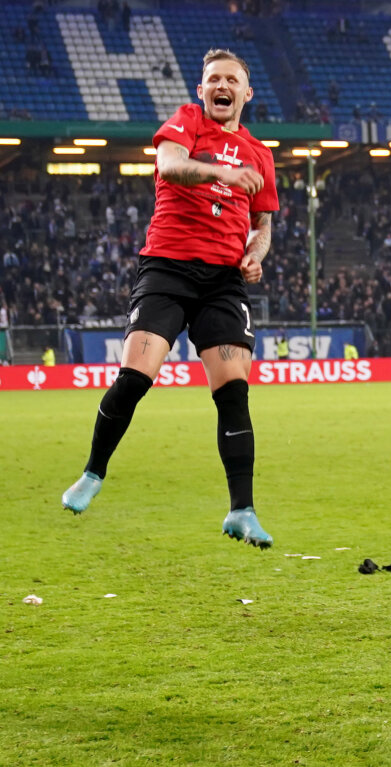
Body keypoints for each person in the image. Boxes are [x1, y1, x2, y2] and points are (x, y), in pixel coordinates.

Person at [61, 49, 279, 549]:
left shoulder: (260, 155)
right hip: (167, 268)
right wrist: (221, 174)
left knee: (233, 392)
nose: (221, 86)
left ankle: (241, 511)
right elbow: (170, 166)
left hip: (223, 280)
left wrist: (254, 254)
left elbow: (263, 227)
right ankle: (94, 473)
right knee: (136, 377)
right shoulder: (186, 123)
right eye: (212, 79)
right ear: (201, 89)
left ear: (247, 94)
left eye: (232, 80)